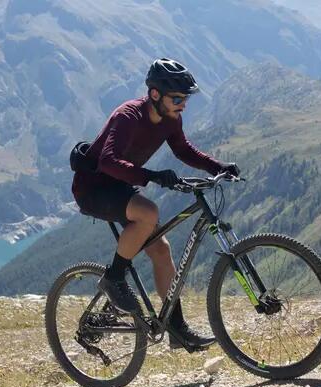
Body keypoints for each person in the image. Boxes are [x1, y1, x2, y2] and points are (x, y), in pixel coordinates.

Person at [71, 58, 239, 351]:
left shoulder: (171, 119)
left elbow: (183, 149)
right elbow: (107, 161)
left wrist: (217, 166)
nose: (183, 105)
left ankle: (176, 328)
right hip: (93, 188)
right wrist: (151, 176)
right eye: (177, 98)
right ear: (155, 94)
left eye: (185, 99)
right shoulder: (129, 116)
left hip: (120, 186)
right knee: (148, 212)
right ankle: (113, 279)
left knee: (161, 250)